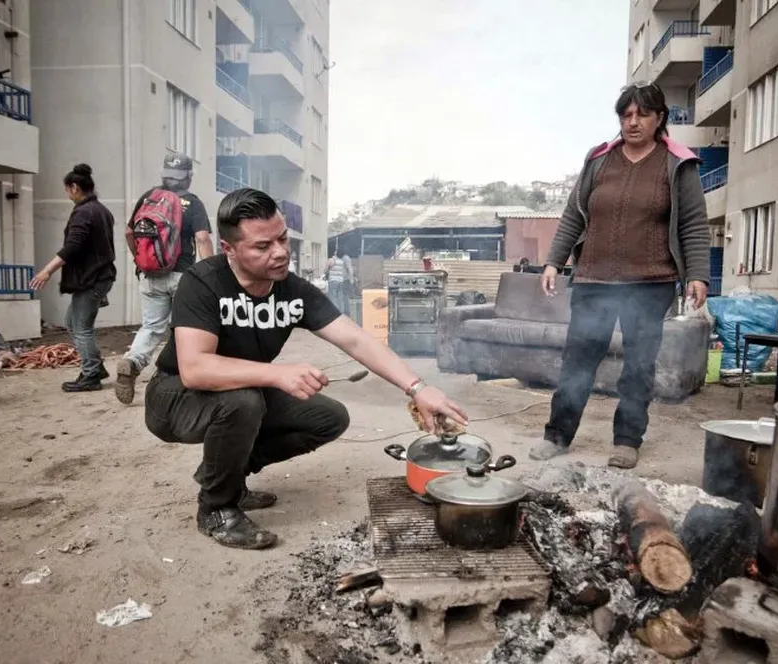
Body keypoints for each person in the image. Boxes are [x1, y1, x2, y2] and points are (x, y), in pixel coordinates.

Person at [143, 188, 467, 550]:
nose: (280, 252)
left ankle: (224, 478)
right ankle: (216, 508)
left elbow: (356, 340)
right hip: (174, 397)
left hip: (238, 392)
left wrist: (418, 388)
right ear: (228, 249)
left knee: (328, 417)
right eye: (262, 247)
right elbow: (195, 369)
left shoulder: (292, 291)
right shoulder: (203, 282)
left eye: (282, 238)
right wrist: (278, 374)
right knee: (245, 401)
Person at [529, 82, 709, 469]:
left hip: (650, 282)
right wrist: (553, 262)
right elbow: (573, 216)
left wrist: (698, 275)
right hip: (593, 279)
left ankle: (627, 439)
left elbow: (694, 224)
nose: (632, 122)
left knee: (639, 365)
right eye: (625, 115)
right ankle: (557, 435)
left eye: (642, 114)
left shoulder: (677, 164)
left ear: (659, 117)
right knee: (578, 363)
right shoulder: (599, 161)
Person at [114, 153, 214, 405]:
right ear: (188, 176)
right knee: (187, 328)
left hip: (150, 274)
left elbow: (128, 231)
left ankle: (133, 361)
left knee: (151, 326)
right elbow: (202, 239)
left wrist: (140, 259)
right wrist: (213, 274)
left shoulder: (149, 197)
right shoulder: (192, 202)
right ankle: (184, 378)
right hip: (182, 275)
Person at [30, 163, 117, 392]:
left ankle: (91, 375)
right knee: (73, 323)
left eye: (67, 190)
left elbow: (72, 247)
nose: (67, 194)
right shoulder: (101, 210)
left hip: (92, 278)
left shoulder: (84, 212)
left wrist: (46, 270)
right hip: (99, 276)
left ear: (75, 187)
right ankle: (95, 367)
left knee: (81, 327)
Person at [324, 249, 353, 316]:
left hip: (333, 281)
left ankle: (335, 313)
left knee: (333, 296)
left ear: (336, 253)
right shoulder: (342, 261)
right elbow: (348, 269)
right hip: (341, 281)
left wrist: (326, 272)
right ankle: (341, 313)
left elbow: (325, 270)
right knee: (340, 297)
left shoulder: (331, 260)